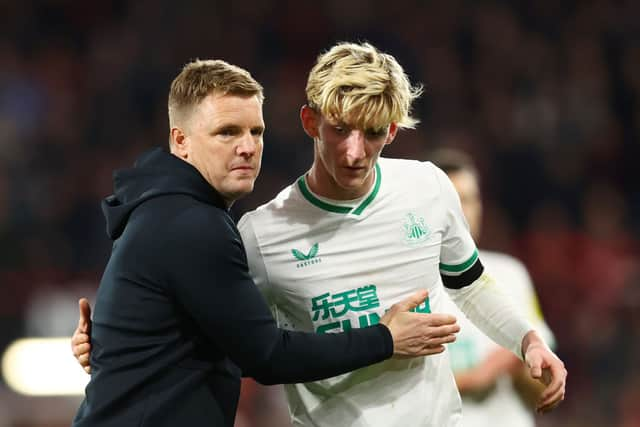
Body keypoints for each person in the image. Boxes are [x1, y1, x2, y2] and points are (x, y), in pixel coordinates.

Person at [73, 43, 567, 426]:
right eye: (340, 129)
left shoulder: (428, 188)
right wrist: (116, 342)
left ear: (392, 131)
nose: (355, 151)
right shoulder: (259, 235)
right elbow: (247, 345)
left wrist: (526, 341)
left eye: (372, 132)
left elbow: (471, 282)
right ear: (310, 121)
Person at [430, 148, 556, 427]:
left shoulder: (511, 274)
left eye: (470, 199)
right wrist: (477, 376)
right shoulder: (410, 285)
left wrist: (521, 366)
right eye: (452, 200)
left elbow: (542, 392)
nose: (463, 211)